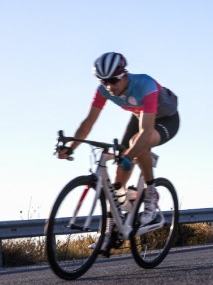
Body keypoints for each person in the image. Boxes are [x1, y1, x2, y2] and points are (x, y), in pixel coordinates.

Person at [56, 52, 180, 252]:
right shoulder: (103, 91)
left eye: (113, 80)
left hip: (166, 119)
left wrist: (129, 156)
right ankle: (113, 225)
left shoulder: (144, 85)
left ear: (124, 74)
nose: (109, 87)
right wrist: (70, 148)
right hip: (140, 115)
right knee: (117, 180)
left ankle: (151, 192)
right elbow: (88, 123)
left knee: (136, 144)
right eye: (103, 81)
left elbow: (146, 131)